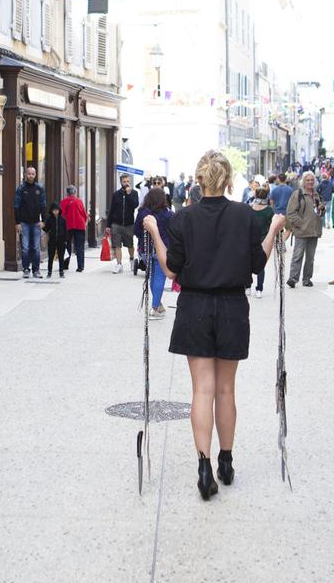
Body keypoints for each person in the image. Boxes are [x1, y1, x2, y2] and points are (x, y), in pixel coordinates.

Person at [142, 150, 285, 500]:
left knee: (201, 391)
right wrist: (274, 229)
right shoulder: (244, 216)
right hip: (233, 306)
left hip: (194, 307)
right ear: (228, 181)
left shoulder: (183, 218)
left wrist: (155, 233)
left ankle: (203, 465)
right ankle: (226, 461)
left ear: (200, 179)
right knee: (226, 390)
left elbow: (172, 269)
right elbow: (256, 263)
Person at [136, 186, 174, 318]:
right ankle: (154, 308)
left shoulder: (142, 212)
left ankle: (157, 304)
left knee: (152, 276)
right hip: (161, 249)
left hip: (145, 249)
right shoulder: (168, 213)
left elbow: (136, 231)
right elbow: (173, 232)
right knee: (159, 277)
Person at [284, 171, 324, 288]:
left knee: (310, 258)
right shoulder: (298, 194)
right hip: (301, 231)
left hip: (314, 231)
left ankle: (307, 279)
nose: (310, 182)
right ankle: (293, 278)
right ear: (303, 181)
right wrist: (301, 224)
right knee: (298, 255)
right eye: (308, 180)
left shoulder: (317, 195)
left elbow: (319, 213)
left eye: (312, 180)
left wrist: (322, 209)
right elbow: (291, 213)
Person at [13, 166, 47, 278]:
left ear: (35, 175)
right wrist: (17, 223)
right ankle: (26, 269)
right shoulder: (21, 189)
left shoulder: (40, 188)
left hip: (36, 222)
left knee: (36, 247)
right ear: (25, 174)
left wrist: (44, 221)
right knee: (25, 247)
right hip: (24, 223)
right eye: (29, 173)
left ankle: (36, 270)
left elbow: (43, 205)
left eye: (33, 174)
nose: (30, 176)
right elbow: (16, 206)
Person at [106, 172, 140, 274]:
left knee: (130, 245)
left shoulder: (134, 193)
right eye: (124, 181)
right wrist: (108, 225)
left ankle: (131, 259)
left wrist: (129, 194)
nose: (126, 183)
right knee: (117, 245)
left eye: (128, 181)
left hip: (129, 224)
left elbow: (135, 205)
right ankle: (119, 264)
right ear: (121, 182)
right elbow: (111, 210)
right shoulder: (116, 194)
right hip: (116, 224)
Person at [248, 185, 274, 299]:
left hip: (248, 239)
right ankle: (259, 289)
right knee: (261, 265)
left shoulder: (249, 208)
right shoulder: (269, 210)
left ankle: (247, 286)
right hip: (263, 240)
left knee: (246, 263)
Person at [61, 185, 88, 272]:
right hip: (80, 225)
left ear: (67, 193)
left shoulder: (63, 201)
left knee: (66, 246)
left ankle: (65, 265)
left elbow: (62, 215)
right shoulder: (79, 201)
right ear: (75, 192)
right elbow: (84, 214)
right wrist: (85, 222)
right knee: (80, 246)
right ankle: (80, 267)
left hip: (67, 226)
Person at [43, 202, 69, 278]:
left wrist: (66, 240)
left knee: (61, 257)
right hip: (52, 241)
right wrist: (41, 226)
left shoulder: (63, 220)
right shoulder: (49, 219)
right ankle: (49, 272)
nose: (55, 212)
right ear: (51, 210)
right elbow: (46, 229)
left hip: (61, 241)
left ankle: (61, 272)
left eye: (57, 210)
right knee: (50, 257)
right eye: (54, 210)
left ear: (59, 210)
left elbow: (66, 230)